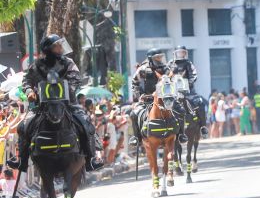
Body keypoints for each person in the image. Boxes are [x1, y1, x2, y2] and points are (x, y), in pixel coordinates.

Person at [7, 34, 104, 172]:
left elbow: (76, 78)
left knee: (86, 123)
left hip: (68, 104)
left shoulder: (68, 62)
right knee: (23, 126)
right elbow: (27, 80)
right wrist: (29, 91)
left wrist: (65, 91)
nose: (60, 48)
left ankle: (91, 159)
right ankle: (21, 160)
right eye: (57, 45)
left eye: (60, 45)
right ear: (48, 49)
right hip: (42, 106)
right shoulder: (37, 65)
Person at [128, 48, 168, 147]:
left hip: (165, 99)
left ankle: (181, 135)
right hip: (147, 99)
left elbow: (171, 81)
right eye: (157, 57)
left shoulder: (165, 68)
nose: (159, 59)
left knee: (179, 110)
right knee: (133, 114)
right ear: (151, 58)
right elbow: (134, 82)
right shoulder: (143, 69)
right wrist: (139, 96)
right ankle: (137, 138)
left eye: (160, 57)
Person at [169, 45, 209, 139]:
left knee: (200, 102)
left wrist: (190, 81)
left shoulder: (188, 63)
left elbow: (194, 74)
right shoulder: (170, 63)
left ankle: (203, 127)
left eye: (182, 52)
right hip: (174, 92)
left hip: (188, 91)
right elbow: (166, 75)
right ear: (175, 53)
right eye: (179, 52)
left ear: (185, 53)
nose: (180, 54)